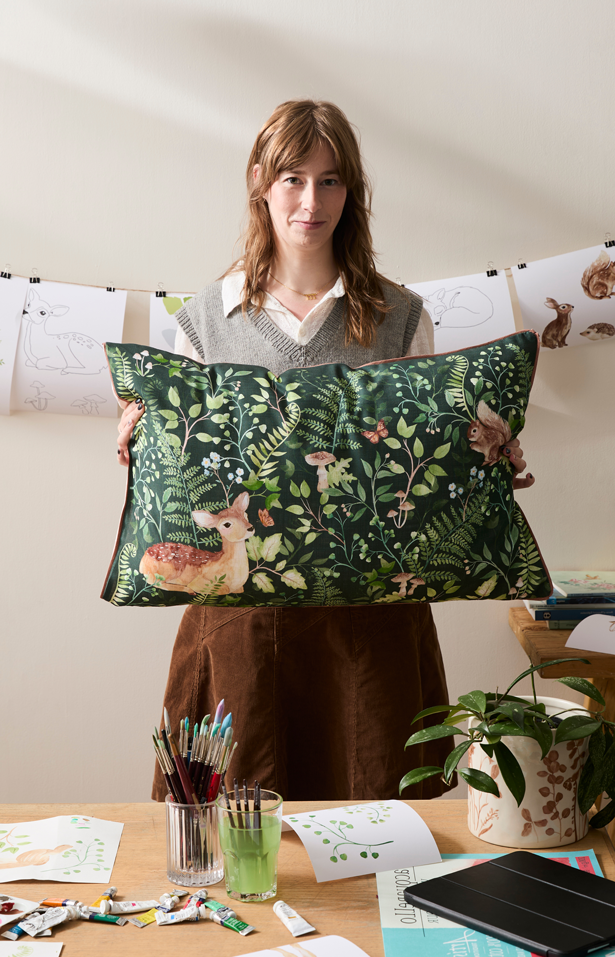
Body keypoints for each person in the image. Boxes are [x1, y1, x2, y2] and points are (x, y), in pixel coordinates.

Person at [117, 100, 534, 802]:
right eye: (293, 178)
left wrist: (488, 457)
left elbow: (426, 464)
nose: (311, 202)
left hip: (372, 625)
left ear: (351, 191)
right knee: (239, 832)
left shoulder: (401, 316)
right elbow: (187, 481)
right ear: (260, 182)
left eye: (330, 180)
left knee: (382, 829)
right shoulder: (204, 320)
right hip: (242, 626)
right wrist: (139, 442)